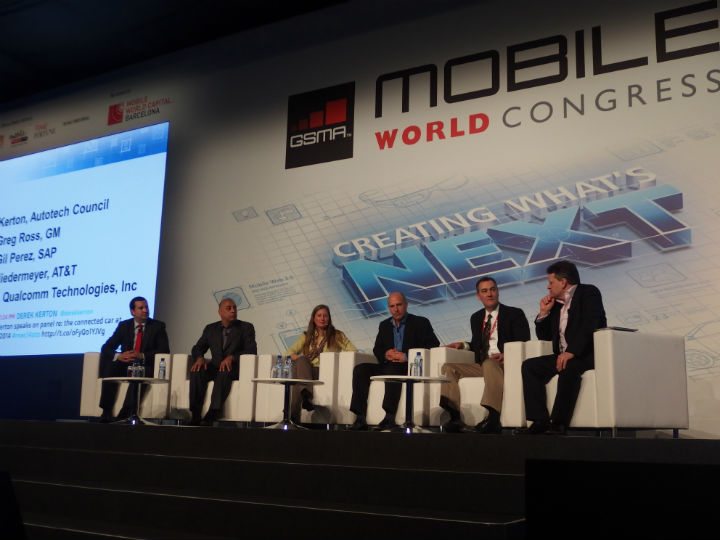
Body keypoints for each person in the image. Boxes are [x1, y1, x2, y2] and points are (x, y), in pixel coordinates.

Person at [517, 260, 607, 435]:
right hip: (563, 355)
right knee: (530, 366)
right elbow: (544, 336)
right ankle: (539, 420)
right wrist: (544, 313)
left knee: (568, 366)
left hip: (586, 354)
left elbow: (590, 324)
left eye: (551, 282)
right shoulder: (557, 305)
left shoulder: (588, 293)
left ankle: (558, 423)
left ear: (563, 282)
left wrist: (572, 351)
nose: (548, 287)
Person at [440, 276, 530, 433]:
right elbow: (477, 344)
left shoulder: (514, 314)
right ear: (478, 296)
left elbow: (524, 340)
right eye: (485, 291)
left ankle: (493, 418)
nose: (489, 294)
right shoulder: (476, 318)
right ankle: (454, 417)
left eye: (492, 289)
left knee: (489, 363)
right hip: (483, 364)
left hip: (505, 363)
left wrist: (506, 354)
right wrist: (463, 345)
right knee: (448, 367)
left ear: (498, 291)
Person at [349, 291, 440, 431]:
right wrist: (385, 354)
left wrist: (406, 356)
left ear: (406, 305)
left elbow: (433, 344)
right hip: (387, 364)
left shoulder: (420, 322)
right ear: (389, 308)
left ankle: (389, 417)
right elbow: (377, 349)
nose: (396, 309)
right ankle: (360, 417)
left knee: (393, 369)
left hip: (408, 366)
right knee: (360, 369)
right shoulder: (384, 325)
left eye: (399, 305)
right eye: (392, 306)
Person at [99, 296, 170, 422]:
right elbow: (106, 348)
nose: (145, 310)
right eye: (141, 308)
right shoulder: (124, 326)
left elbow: (164, 350)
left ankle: (126, 412)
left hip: (145, 364)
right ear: (133, 311)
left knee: (141, 372)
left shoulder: (158, 326)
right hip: (126, 363)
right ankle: (106, 411)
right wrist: (119, 356)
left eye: (146, 307)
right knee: (111, 367)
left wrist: (141, 355)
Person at [189, 297, 257, 426]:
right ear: (220, 312)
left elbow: (251, 350)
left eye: (234, 308)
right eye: (228, 308)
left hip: (234, 368)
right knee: (197, 371)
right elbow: (198, 347)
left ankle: (213, 413)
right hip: (215, 366)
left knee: (224, 371)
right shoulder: (210, 328)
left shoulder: (246, 327)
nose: (233, 311)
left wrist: (232, 357)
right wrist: (199, 358)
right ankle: (195, 414)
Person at [286, 304, 357, 421]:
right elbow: (288, 353)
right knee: (301, 362)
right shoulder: (306, 336)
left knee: (297, 378)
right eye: (319, 316)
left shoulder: (337, 335)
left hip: (325, 372)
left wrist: (339, 360)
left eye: (325, 316)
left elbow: (353, 351)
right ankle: (305, 395)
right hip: (307, 372)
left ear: (329, 318)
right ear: (314, 319)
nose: (322, 318)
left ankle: (293, 418)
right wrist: (299, 359)